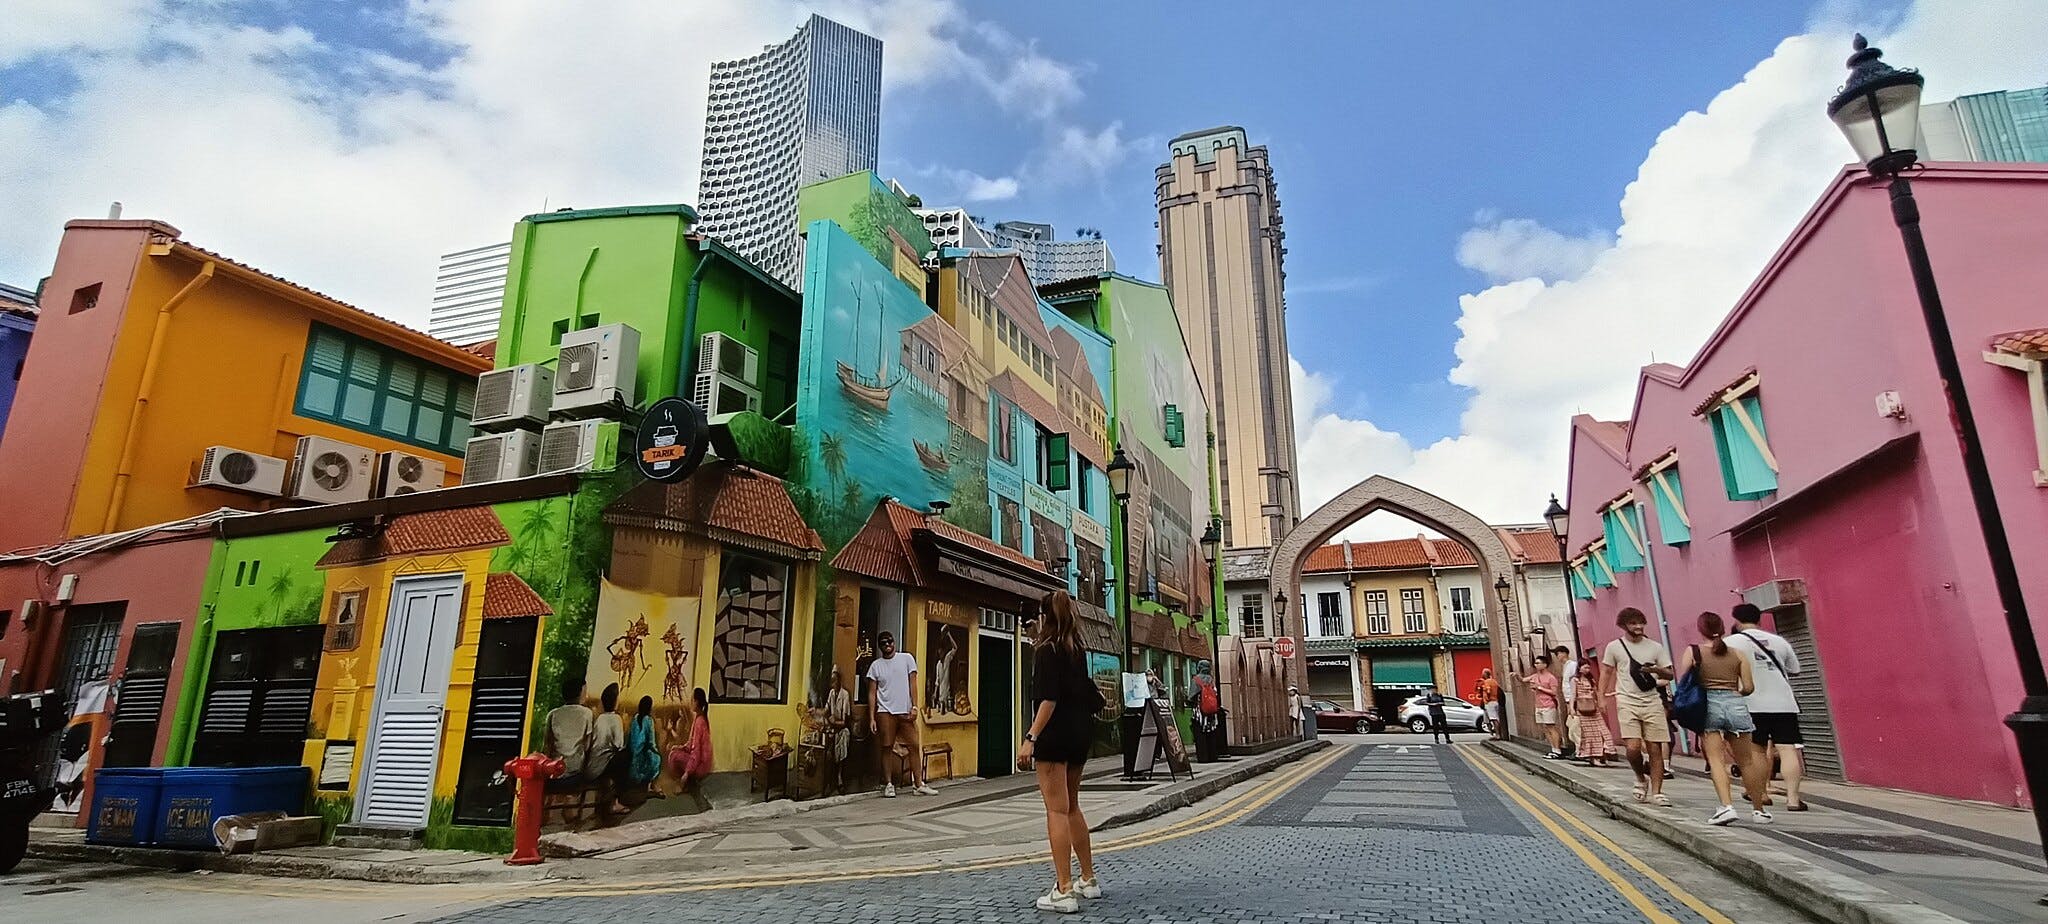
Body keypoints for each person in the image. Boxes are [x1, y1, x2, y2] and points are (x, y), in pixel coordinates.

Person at [1019, 591, 1108, 914]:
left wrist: (1031, 737)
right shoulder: (1076, 649)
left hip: (1054, 736)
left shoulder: (1047, 651)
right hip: (1079, 734)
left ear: (1044, 617)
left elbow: (1048, 699)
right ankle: (1088, 878)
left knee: (1056, 810)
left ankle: (1064, 888)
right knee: (1072, 807)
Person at [1679, 611, 1773, 825]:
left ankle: (1726, 806)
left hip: (1708, 706)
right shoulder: (1738, 654)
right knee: (1747, 761)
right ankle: (1759, 810)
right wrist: (1734, 694)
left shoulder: (1693, 651)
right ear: (1722, 628)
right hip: (1736, 703)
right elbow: (1749, 687)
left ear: (1700, 629)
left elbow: (1685, 683)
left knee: (1716, 760)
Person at [1726, 603, 1807, 811]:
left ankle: (1761, 794)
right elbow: (1795, 669)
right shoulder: (1779, 641)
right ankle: (1793, 799)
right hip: (1783, 703)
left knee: (1757, 751)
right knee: (1788, 750)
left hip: (1752, 703)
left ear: (1736, 620)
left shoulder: (1730, 642)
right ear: (1759, 619)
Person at [1602, 607, 1675, 806]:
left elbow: (1670, 674)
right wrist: (1601, 697)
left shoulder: (1655, 647)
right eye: (1633, 623)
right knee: (1633, 748)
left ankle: (1657, 792)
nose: (1638, 626)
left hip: (1652, 700)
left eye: (1641, 622)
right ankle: (1640, 778)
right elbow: (1607, 672)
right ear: (1624, 625)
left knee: (1655, 748)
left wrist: (1656, 670)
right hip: (1626, 700)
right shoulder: (1614, 647)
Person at [866, 631, 937, 797]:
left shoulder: (906, 659)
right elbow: (872, 693)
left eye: (889, 641)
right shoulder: (876, 666)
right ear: (880, 646)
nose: (887, 645)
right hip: (885, 711)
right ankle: (889, 784)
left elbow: (913, 684)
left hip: (905, 711)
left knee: (914, 745)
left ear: (894, 642)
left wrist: (914, 706)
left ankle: (918, 784)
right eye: (883, 643)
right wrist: (871, 717)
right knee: (887, 747)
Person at [542, 677, 595, 791]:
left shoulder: (553, 714)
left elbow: (547, 745)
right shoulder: (587, 714)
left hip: (553, 773)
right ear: (581, 694)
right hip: (574, 773)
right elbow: (587, 746)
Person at [667, 687, 713, 790]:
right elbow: (690, 744)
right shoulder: (698, 718)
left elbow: (696, 752)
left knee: (673, 756)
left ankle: (684, 781)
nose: (690, 702)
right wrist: (680, 747)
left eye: (692, 700)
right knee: (674, 750)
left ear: (696, 702)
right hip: (698, 760)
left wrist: (687, 772)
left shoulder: (699, 722)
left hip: (701, 764)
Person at [592, 683, 628, 813]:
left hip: (594, 763)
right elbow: (619, 744)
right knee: (625, 757)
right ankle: (615, 802)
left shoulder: (600, 718)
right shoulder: (615, 718)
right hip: (604, 765)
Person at [1518, 655, 1564, 758]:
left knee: (1551, 727)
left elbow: (1554, 692)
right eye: (1535, 663)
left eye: (1538, 663)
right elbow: (1523, 680)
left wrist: (1539, 687)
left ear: (1545, 664)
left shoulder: (1551, 677)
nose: (1536, 665)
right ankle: (1553, 749)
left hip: (1548, 704)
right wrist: (1516, 675)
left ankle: (1558, 750)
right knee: (1545, 728)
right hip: (1538, 705)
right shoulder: (1534, 676)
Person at [1572, 659, 1614, 767]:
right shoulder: (1575, 680)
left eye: (1588, 667)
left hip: (1594, 709)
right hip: (1583, 710)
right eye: (1585, 667)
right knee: (1590, 735)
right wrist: (1572, 708)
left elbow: (1597, 693)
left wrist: (1602, 701)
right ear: (1579, 668)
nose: (1587, 669)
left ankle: (1603, 755)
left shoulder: (1591, 680)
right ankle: (1594, 757)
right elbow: (1573, 695)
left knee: (1604, 732)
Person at [824, 666, 853, 795]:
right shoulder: (831, 694)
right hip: (833, 729)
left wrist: (834, 722)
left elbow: (845, 721)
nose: (832, 684)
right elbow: (826, 710)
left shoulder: (845, 695)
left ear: (839, 681)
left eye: (834, 681)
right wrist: (817, 712)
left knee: (840, 754)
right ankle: (829, 781)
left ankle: (839, 779)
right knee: (829, 753)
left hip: (842, 730)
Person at [1189, 662, 1224, 762]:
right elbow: (1216, 693)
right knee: (1211, 733)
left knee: (1200, 735)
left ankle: (1203, 757)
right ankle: (1213, 756)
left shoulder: (1196, 680)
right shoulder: (1211, 680)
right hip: (1211, 713)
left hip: (1199, 713)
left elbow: (1191, 696)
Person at [627, 695, 662, 797]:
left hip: (633, 756)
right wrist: (656, 752)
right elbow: (651, 742)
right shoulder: (648, 720)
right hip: (642, 756)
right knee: (656, 759)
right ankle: (649, 785)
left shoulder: (635, 718)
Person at [1554, 645, 1579, 757]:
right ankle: (1578, 750)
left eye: (1558, 654)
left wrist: (1571, 703)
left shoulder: (1573, 665)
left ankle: (1579, 751)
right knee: (1570, 724)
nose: (1557, 656)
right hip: (1569, 701)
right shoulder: (1565, 666)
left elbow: (1574, 684)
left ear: (1564, 653)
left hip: (1574, 701)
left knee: (1574, 726)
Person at [1478, 669, 1503, 740]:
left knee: (1493, 719)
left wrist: (1487, 698)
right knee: (1495, 718)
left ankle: (1497, 735)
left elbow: (1488, 691)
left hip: (1490, 702)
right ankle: (1497, 734)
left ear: (1486, 674)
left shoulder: (1487, 682)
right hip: (1495, 701)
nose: (1482, 674)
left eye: (1483, 673)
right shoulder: (1494, 681)